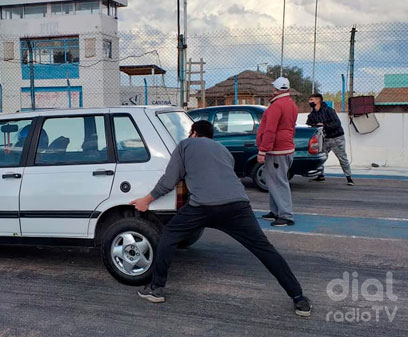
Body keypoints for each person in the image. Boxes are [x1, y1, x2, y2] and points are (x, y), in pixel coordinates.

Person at [130, 120, 312, 317]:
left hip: (201, 207)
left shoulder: (185, 145)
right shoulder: (223, 150)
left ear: (193, 133)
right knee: (264, 249)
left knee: (169, 235)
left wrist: (146, 200)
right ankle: (299, 298)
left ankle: (156, 288)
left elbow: (169, 180)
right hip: (237, 206)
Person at [256, 77, 298, 227]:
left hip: (277, 151)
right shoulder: (291, 104)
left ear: (276, 89)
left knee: (278, 182)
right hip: (285, 148)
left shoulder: (276, 106)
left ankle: (286, 215)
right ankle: (276, 211)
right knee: (275, 181)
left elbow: (270, 130)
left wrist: (262, 150)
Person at [306, 93, 355, 186]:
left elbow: (336, 123)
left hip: (337, 138)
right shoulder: (312, 114)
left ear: (318, 100)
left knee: (342, 158)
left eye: (312, 100)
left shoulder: (329, 110)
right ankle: (320, 176)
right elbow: (309, 123)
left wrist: (324, 125)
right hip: (324, 139)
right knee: (319, 157)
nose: (310, 102)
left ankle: (349, 178)